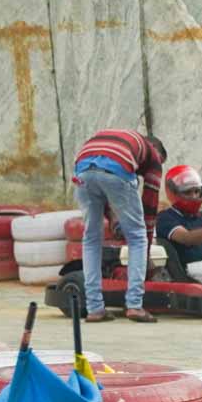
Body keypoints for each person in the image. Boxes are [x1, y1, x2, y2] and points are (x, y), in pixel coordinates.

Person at [70, 128, 167, 323]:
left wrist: (115, 219)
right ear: (156, 151)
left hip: (82, 169)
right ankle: (134, 305)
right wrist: (146, 250)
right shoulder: (153, 157)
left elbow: (102, 187)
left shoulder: (121, 140)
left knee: (91, 238)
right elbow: (150, 204)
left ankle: (95, 309)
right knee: (137, 237)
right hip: (116, 169)